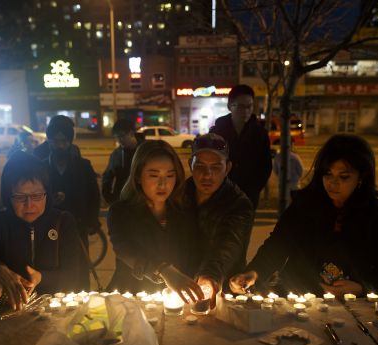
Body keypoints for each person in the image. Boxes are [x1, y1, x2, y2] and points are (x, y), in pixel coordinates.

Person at [230, 135, 378, 297]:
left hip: (354, 307)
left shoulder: (377, 215)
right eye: (328, 174)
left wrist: (362, 287)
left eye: (344, 177)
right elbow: (277, 246)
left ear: (361, 177)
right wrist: (254, 272)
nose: (333, 183)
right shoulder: (305, 205)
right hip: (297, 294)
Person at [0, 152, 83, 310]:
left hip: (56, 311)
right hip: (8, 312)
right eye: (20, 197)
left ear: (47, 193)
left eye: (37, 195)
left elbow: (74, 274)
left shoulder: (64, 221)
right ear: (8, 196)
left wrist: (42, 278)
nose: (29, 205)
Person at [107, 140, 204, 302]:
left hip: (176, 300)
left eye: (170, 175)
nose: (163, 184)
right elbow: (125, 249)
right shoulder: (121, 211)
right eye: (153, 175)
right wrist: (163, 270)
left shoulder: (184, 210)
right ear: (138, 176)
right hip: (132, 297)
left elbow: (193, 253)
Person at [184, 133, 254, 301]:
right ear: (190, 165)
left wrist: (210, 275)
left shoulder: (238, 203)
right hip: (181, 286)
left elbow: (228, 244)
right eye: (200, 166)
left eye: (215, 167)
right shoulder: (179, 193)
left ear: (227, 168)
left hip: (223, 289)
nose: (207, 175)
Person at [33, 115, 100, 290]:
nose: (60, 146)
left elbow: (94, 195)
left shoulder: (83, 166)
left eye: (64, 141)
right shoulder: (41, 167)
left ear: (70, 142)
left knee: (80, 270)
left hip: (78, 228)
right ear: (49, 141)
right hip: (49, 229)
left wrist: (92, 222)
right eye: (55, 141)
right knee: (53, 269)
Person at [210, 84, 272, 209]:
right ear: (229, 106)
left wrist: (254, 189)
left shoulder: (260, 133)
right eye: (240, 107)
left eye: (249, 106)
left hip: (248, 196)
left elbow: (265, 166)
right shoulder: (218, 132)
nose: (246, 111)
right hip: (221, 194)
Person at [102, 118, 141, 205]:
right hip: (121, 200)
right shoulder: (116, 154)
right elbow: (108, 175)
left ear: (131, 133)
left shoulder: (144, 151)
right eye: (116, 137)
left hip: (141, 201)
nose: (119, 140)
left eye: (122, 136)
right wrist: (107, 195)